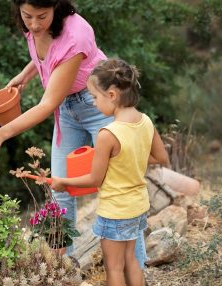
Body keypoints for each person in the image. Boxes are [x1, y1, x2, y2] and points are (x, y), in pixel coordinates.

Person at [0, 0, 149, 269]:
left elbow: (46, 104)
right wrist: (25, 74)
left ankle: (136, 266)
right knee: (60, 187)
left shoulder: (76, 33)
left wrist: (2, 133)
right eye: (27, 16)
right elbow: (46, 55)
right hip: (67, 109)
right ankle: (63, 267)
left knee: (118, 185)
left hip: (99, 103)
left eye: (41, 17)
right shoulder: (31, 25)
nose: (34, 24)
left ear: (55, 7)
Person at [51, 58, 169, 285]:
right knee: (132, 261)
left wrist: (63, 181)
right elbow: (161, 157)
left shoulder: (108, 134)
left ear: (112, 95)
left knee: (113, 268)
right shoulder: (145, 121)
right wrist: (130, 160)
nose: (94, 104)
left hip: (115, 211)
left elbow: (95, 179)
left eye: (95, 97)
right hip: (138, 206)